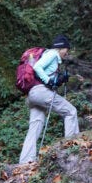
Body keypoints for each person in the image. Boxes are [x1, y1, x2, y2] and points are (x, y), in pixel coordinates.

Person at [18, 34, 78, 164]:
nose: (67, 53)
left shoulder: (50, 55)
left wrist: (59, 80)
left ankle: (25, 162)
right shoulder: (52, 54)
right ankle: (72, 150)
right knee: (71, 112)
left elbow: (48, 77)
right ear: (61, 48)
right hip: (40, 92)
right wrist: (49, 81)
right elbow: (37, 67)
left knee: (35, 125)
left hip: (32, 94)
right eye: (67, 50)